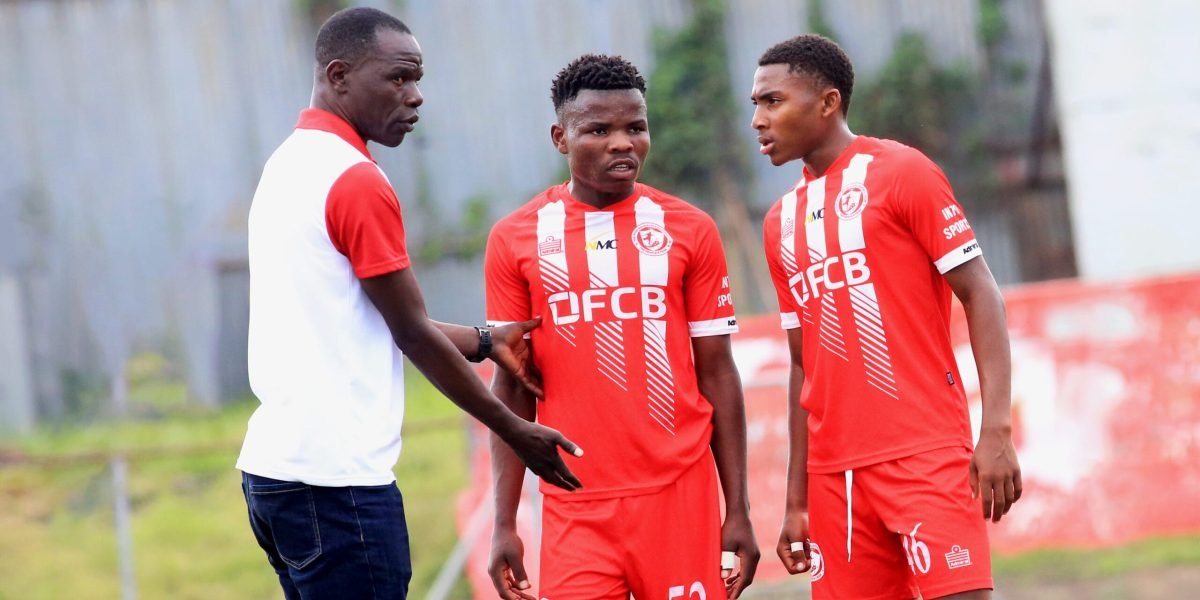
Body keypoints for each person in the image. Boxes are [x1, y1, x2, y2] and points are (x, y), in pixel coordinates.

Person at [235, 8, 583, 599]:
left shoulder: (289, 163)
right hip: (337, 486)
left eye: (417, 79)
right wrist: (514, 427)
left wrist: (485, 340)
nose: (416, 96)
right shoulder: (355, 180)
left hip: (275, 475)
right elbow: (412, 334)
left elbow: (366, 317)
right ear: (339, 75)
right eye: (399, 78)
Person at [751, 34, 1022, 599]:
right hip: (834, 478)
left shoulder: (901, 172)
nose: (758, 119)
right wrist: (797, 500)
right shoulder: (780, 222)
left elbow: (981, 293)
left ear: (827, 103)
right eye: (755, 104)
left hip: (924, 452)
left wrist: (995, 428)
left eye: (773, 101)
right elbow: (804, 366)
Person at [484, 54, 760, 600]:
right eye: (599, 129)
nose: (622, 143)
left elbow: (718, 373)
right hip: (574, 503)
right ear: (561, 137)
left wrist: (739, 509)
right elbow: (512, 385)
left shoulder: (690, 229)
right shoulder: (513, 239)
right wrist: (504, 521)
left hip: (679, 496)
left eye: (636, 127)